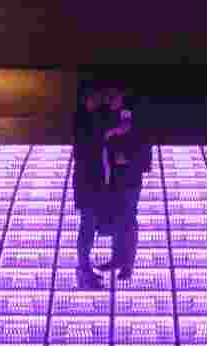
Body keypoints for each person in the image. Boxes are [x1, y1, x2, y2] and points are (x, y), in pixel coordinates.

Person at [97, 86, 151, 281]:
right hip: (116, 180)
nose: (109, 101)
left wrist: (128, 160)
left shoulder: (136, 123)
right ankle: (118, 259)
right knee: (119, 220)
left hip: (130, 180)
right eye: (108, 97)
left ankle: (127, 264)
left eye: (113, 97)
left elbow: (144, 154)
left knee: (128, 220)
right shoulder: (114, 118)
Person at [71, 85, 111, 289]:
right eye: (94, 98)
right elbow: (90, 145)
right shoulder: (83, 122)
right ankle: (83, 269)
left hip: (90, 182)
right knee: (87, 225)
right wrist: (108, 133)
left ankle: (84, 266)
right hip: (88, 183)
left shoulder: (89, 118)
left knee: (89, 225)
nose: (97, 102)